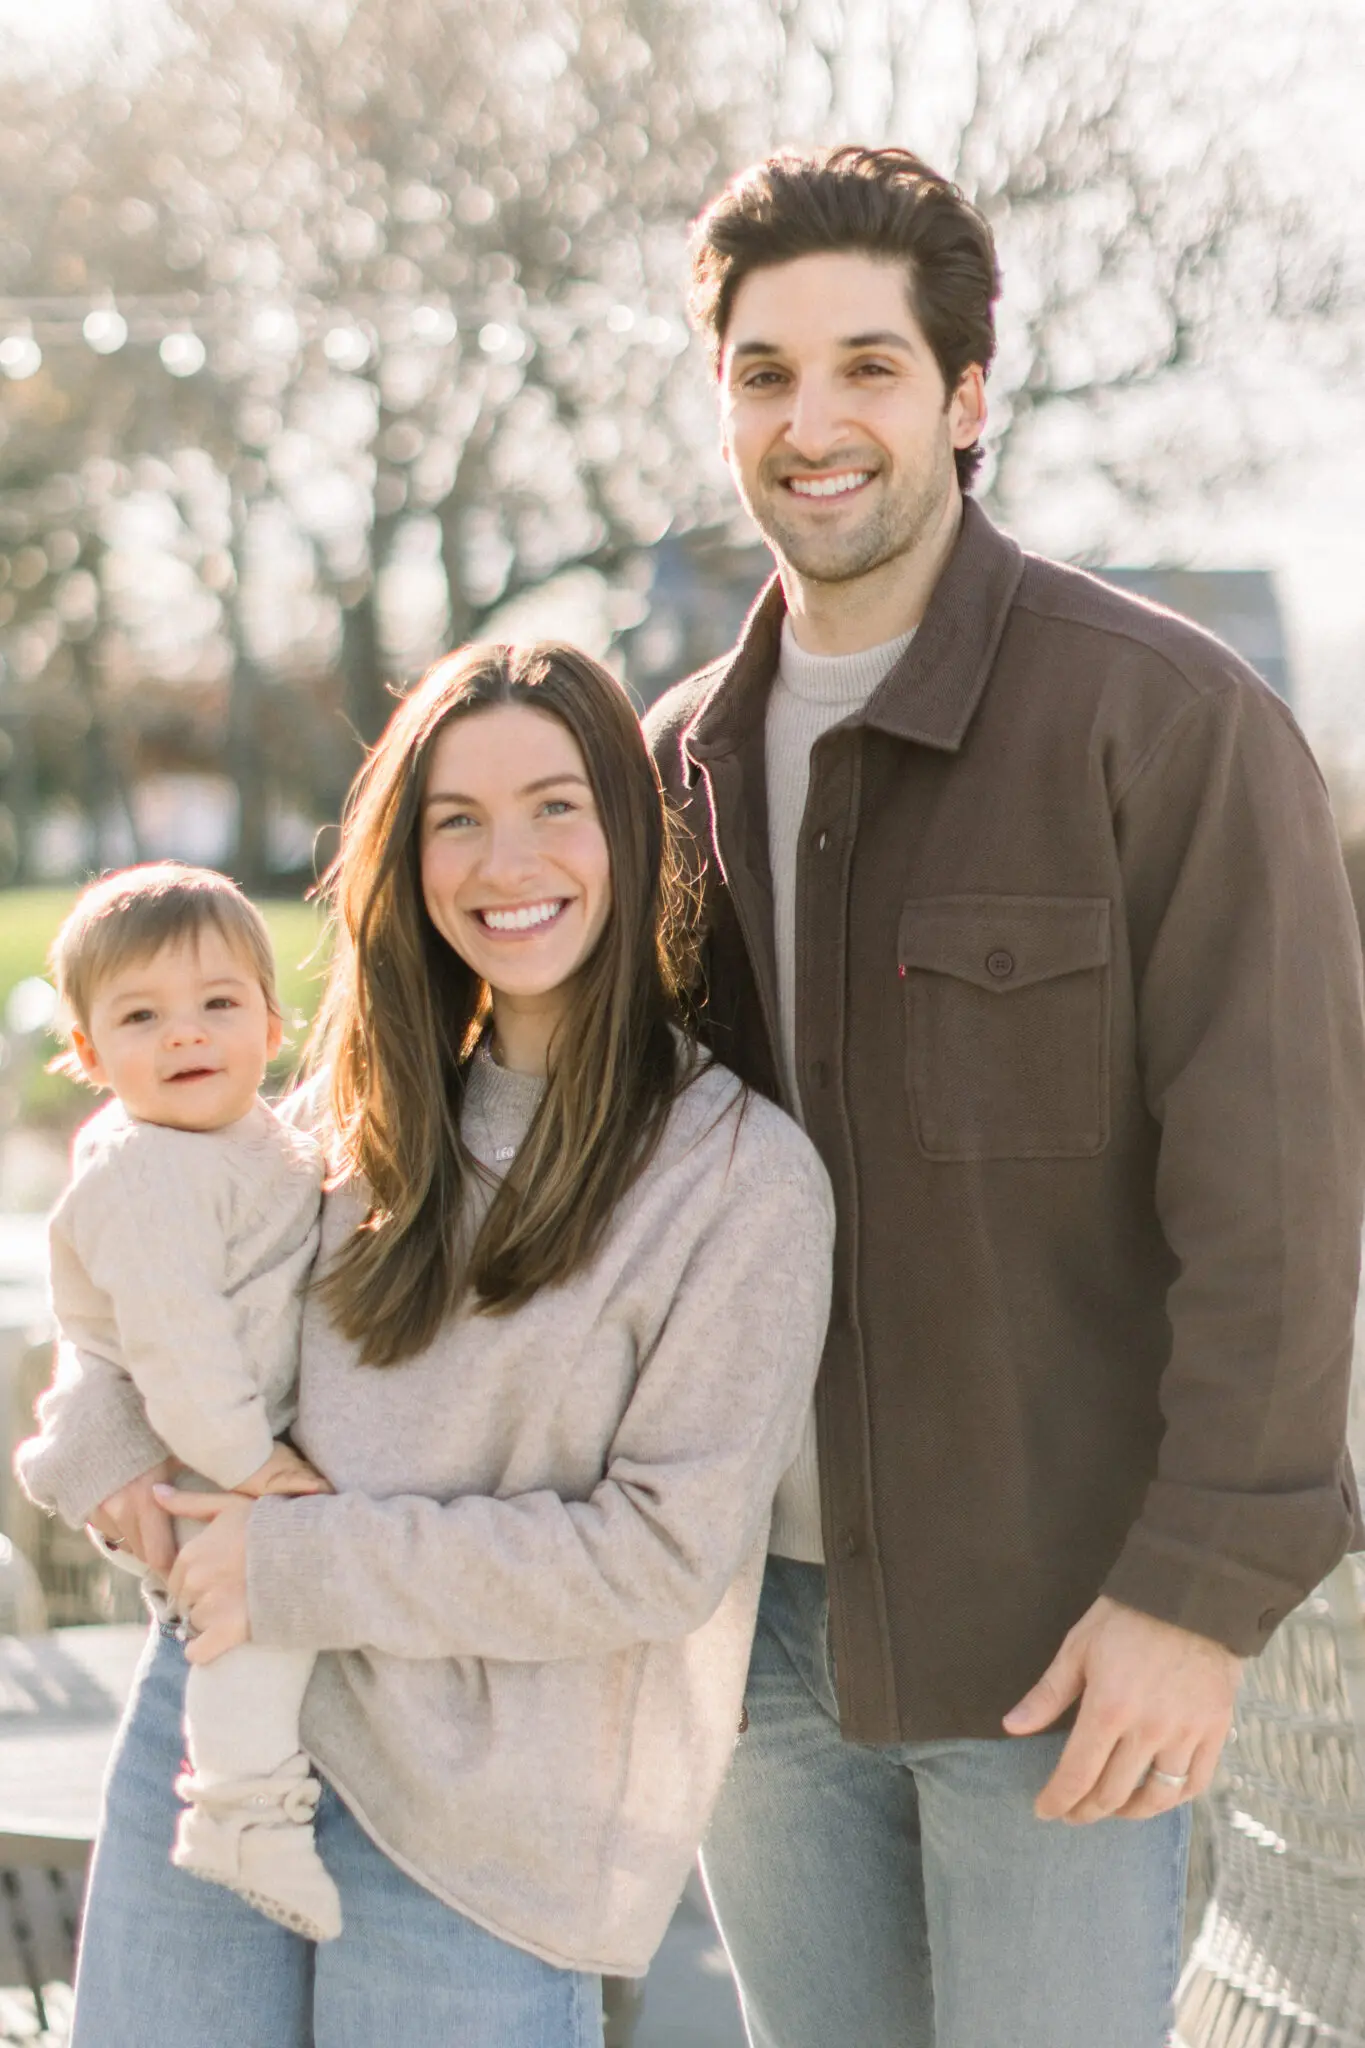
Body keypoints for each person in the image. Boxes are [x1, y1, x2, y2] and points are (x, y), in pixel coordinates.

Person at [644, 145, 1365, 2048]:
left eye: (869, 366)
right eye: (766, 371)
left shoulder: (1170, 722)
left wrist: (1196, 1600)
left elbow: (1281, 1210)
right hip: (750, 1658)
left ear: (965, 400)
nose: (815, 421)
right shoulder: (664, 770)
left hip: (1061, 1647)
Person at [18, 641, 835, 2048]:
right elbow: (134, 1276)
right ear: (408, 856)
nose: (502, 859)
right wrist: (103, 1454)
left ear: (633, 833)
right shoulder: (340, 1119)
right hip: (221, 1745)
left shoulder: (739, 1181)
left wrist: (298, 1562)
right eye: (454, 817)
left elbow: (657, 1554)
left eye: (554, 804)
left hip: (488, 1824)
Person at [18, 864, 339, 1941]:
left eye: (217, 1003)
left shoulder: (260, 1136)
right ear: (89, 1054)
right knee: (248, 1617)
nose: (186, 1034)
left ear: (271, 1018)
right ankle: (241, 1807)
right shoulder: (140, 1173)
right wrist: (252, 1464)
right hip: (197, 1450)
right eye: (141, 1016)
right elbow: (177, 1349)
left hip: (231, 1428)